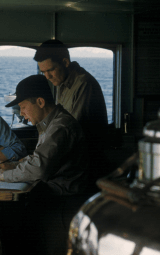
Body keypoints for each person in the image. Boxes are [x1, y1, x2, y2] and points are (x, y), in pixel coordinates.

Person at [0, 74, 90, 255]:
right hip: (55, 199)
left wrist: (2, 176)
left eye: (24, 107)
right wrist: (14, 165)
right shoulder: (51, 124)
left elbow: (39, 169)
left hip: (64, 205)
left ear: (40, 102)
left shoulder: (61, 127)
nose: (22, 114)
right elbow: (41, 159)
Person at [34, 39, 109, 185]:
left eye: (50, 70)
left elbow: (69, 131)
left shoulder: (83, 84)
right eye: (43, 72)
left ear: (65, 62)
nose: (47, 77)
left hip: (84, 169)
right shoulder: (62, 82)